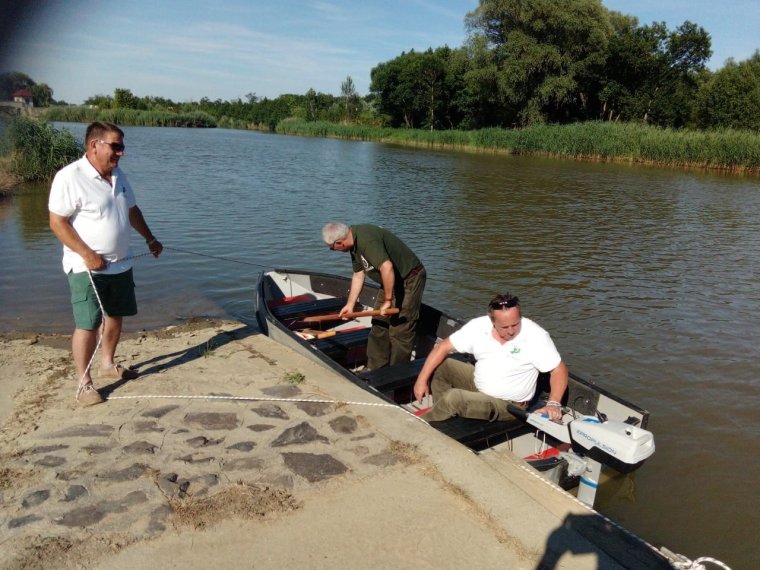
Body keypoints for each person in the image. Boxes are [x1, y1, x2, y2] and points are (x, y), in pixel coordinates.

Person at [48, 121, 163, 406]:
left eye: (122, 147)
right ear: (94, 145)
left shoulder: (119, 175)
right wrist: (87, 254)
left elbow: (132, 210)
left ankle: (108, 364)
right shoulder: (69, 177)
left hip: (121, 264)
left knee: (115, 316)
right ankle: (84, 382)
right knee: (87, 323)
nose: (121, 153)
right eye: (116, 146)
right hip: (86, 267)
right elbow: (57, 222)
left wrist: (150, 238)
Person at [413, 293, 568, 422]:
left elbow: (558, 370)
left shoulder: (536, 336)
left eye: (515, 324)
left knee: (453, 398)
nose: (511, 331)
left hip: (508, 405)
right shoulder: (478, 326)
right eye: (505, 327)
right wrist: (421, 380)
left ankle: (423, 426)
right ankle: (443, 417)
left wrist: (553, 403)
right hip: (479, 386)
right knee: (444, 366)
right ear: (493, 322)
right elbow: (443, 347)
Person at [322, 222, 426, 370]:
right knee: (379, 323)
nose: (334, 250)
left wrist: (388, 300)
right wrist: (350, 304)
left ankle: (397, 373)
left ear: (339, 242)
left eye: (332, 248)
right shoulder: (354, 244)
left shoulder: (366, 240)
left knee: (400, 329)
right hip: (390, 280)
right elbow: (358, 274)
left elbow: (386, 266)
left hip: (410, 278)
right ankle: (375, 368)